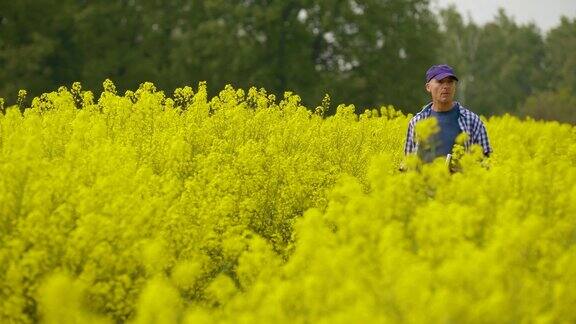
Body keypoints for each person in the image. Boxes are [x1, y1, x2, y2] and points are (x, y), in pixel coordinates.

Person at [404, 64, 492, 163]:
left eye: (450, 82)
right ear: (428, 87)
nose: (446, 86)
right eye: (440, 82)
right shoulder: (416, 122)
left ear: (455, 86)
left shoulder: (472, 120)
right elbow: (408, 164)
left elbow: (486, 162)